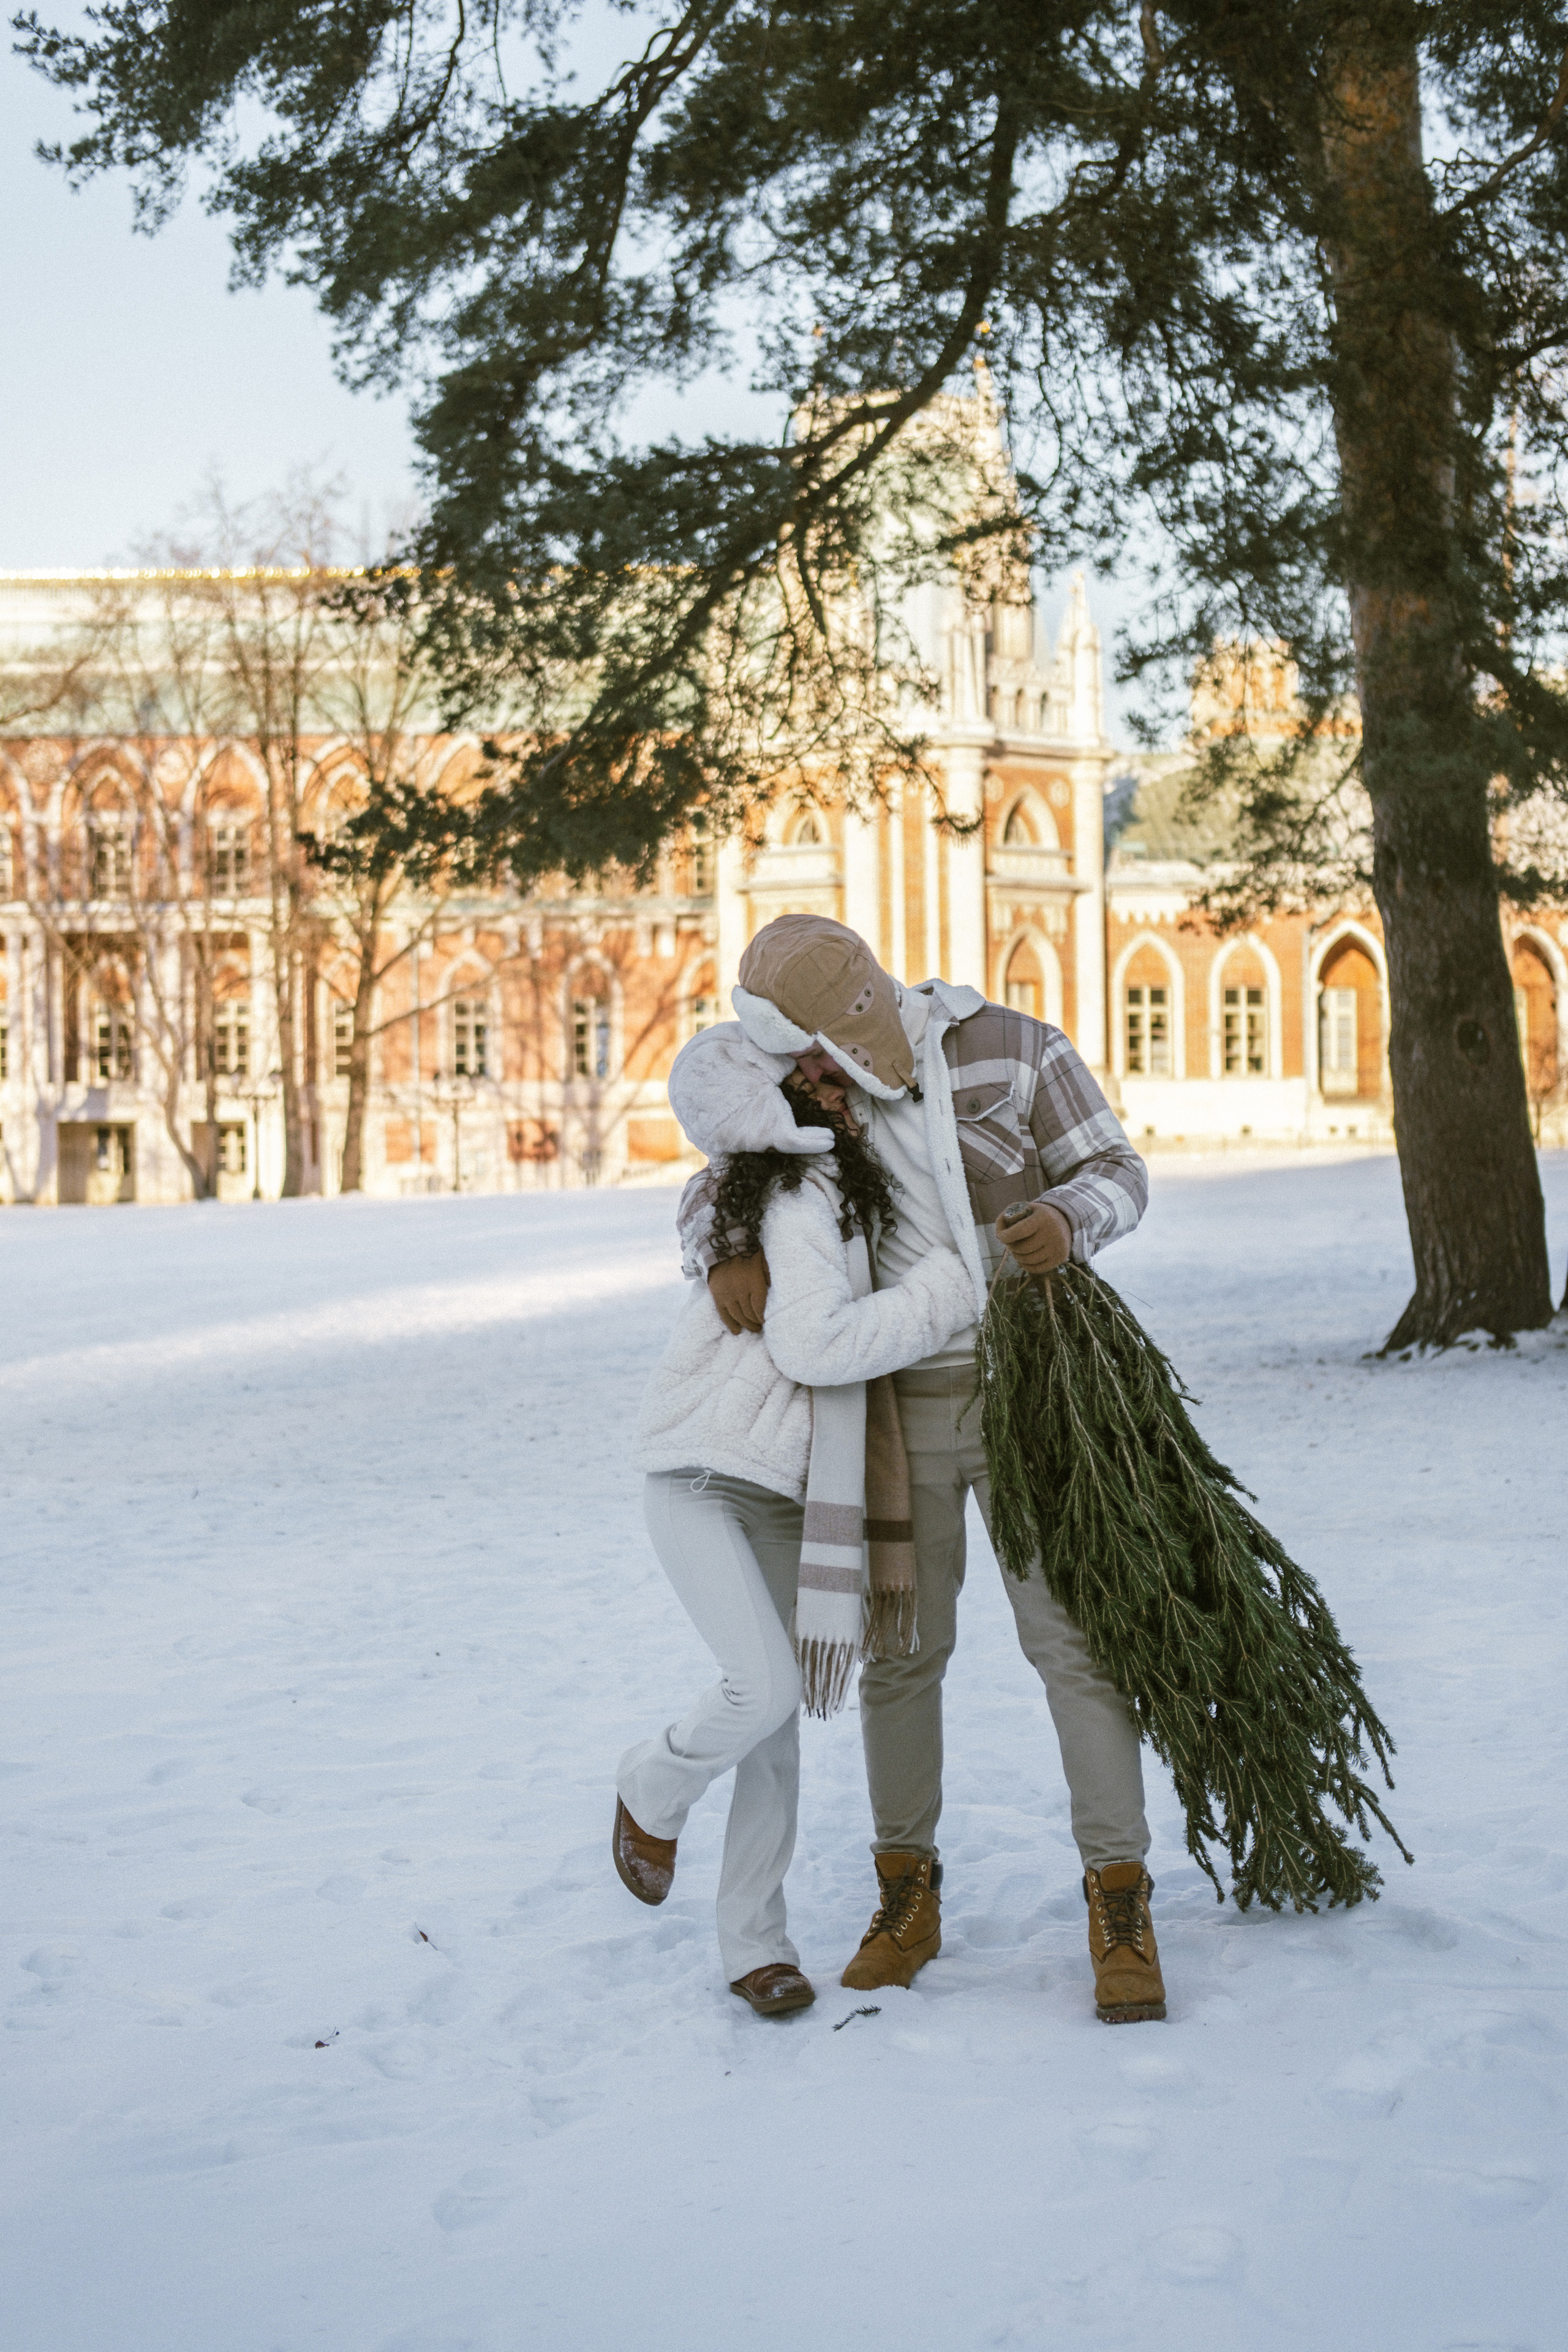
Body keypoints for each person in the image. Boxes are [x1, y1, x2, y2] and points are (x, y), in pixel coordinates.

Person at [680, 912, 1166, 2025]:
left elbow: (1119, 1168)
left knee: (1073, 1644)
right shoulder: (805, 1087)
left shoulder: (1014, 1048)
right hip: (894, 1411)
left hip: (1036, 1399)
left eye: (804, 1042)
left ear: (848, 1011)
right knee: (901, 1655)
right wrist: (728, 1250)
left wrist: (1066, 1217)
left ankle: (1120, 1899)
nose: (797, 1071)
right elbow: (718, 1181)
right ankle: (909, 1892)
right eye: (783, 1053)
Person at [616, 1028, 977, 2018]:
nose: (837, 1086)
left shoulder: (849, 1187)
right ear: (780, 1091)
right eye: (811, 1074)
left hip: (787, 1488)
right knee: (764, 1687)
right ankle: (652, 1783)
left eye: (841, 1069)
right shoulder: (782, 1184)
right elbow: (817, 1344)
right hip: (699, 1471)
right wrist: (948, 1291)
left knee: (776, 1728)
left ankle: (754, 1945)